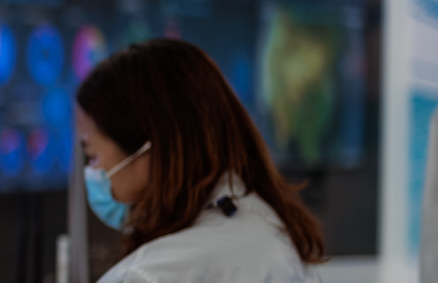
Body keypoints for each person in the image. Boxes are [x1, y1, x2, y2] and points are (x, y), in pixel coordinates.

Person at [76, 38, 324, 282]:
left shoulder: (147, 276)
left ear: (147, 149)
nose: (93, 171)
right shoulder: (275, 230)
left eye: (93, 156)